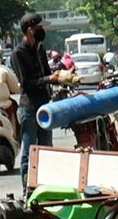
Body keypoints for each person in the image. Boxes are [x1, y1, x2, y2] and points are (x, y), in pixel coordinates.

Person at [11, 11, 74, 176]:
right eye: (39, 28)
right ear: (30, 30)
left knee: (47, 150)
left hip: (45, 106)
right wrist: (48, 79)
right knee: (29, 152)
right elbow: (26, 83)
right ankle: (26, 188)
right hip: (29, 108)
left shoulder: (39, 48)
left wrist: (63, 78)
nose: (41, 31)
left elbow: (47, 74)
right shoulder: (18, 54)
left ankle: (46, 182)